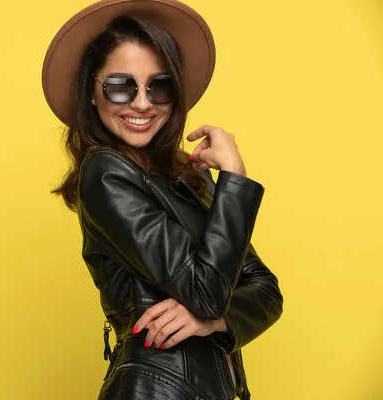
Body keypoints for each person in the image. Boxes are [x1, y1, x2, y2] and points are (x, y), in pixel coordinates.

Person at [42, 1, 283, 399]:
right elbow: (208, 292)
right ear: (91, 92)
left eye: (160, 86)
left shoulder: (190, 176)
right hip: (156, 387)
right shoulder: (106, 173)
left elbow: (266, 290)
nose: (142, 103)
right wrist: (235, 179)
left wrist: (213, 322)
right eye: (120, 86)